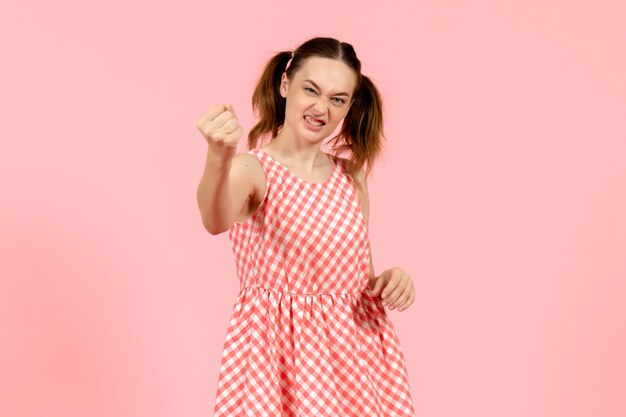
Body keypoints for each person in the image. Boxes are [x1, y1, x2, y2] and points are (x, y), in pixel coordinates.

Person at [196, 37, 416, 417]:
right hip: (277, 356)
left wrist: (392, 280)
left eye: (337, 99)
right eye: (310, 90)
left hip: (354, 360)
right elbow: (214, 220)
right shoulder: (253, 170)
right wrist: (218, 157)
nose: (321, 108)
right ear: (285, 86)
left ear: (349, 106)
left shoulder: (350, 178)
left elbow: (358, 278)